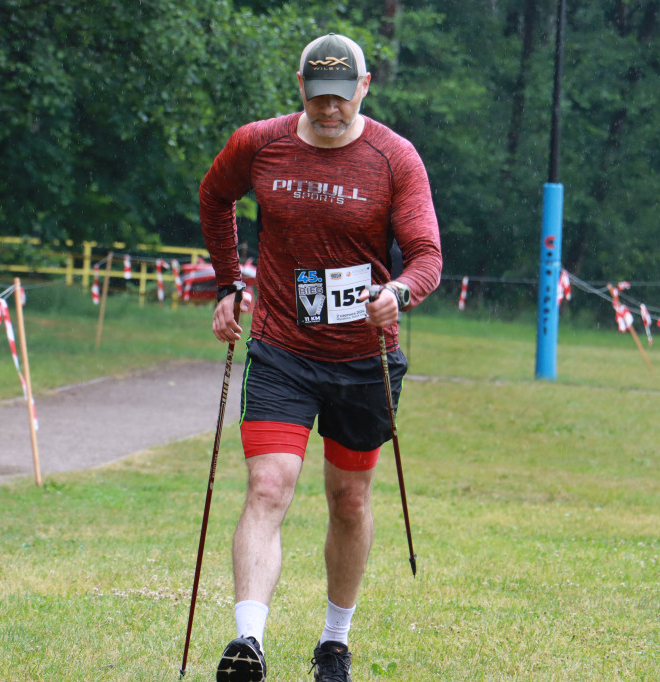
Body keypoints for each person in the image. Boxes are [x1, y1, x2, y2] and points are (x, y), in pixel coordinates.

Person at [199, 32, 442, 682]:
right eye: (317, 95)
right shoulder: (260, 143)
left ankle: (334, 641)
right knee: (267, 486)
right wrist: (229, 283)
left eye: (341, 96)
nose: (328, 108)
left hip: (365, 359)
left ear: (363, 88)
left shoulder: (395, 157)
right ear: (300, 87)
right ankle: (248, 641)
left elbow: (427, 256)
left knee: (350, 501)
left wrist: (398, 291)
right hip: (283, 349)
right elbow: (214, 196)